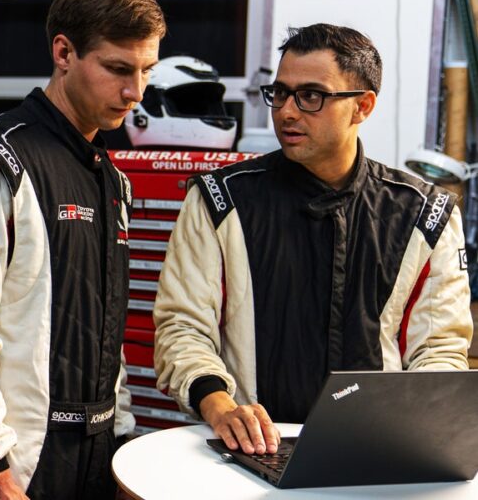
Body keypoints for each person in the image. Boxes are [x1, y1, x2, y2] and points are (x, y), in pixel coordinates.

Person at [153, 23, 474, 457]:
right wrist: (220, 407)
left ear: (362, 107)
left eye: (311, 96)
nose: (286, 111)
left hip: (375, 451)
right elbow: (182, 327)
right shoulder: (219, 199)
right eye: (280, 93)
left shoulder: (425, 213)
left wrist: (415, 432)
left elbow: (439, 348)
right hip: (249, 452)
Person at [0, 0, 164, 500]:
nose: (135, 91)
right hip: (14, 469)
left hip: (95, 461)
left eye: (146, 70)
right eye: (118, 68)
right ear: (64, 53)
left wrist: (121, 435)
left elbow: (104, 330)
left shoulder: (111, 179)